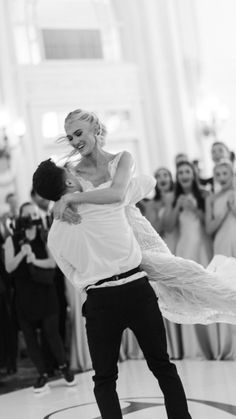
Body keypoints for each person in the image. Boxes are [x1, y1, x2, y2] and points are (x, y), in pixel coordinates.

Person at [33, 157, 192, 418]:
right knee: (162, 366)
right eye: (71, 171)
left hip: (98, 301)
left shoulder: (54, 234)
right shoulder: (110, 199)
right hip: (136, 291)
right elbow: (148, 181)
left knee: (104, 379)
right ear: (70, 181)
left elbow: (72, 275)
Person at [4, 202, 76, 392]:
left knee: (52, 332)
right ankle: (42, 374)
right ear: (19, 217)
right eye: (26, 215)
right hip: (24, 296)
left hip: (45, 291)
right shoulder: (12, 240)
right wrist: (22, 254)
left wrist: (34, 259)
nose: (31, 219)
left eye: (33, 214)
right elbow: (9, 267)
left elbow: (53, 263)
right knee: (30, 337)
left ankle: (63, 367)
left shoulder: (45, 235)